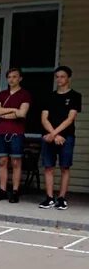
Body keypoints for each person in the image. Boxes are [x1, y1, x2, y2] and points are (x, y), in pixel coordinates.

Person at [40, 66, 82, 210]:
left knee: (65, 167)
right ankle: (49, 197)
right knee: (48, 167)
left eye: (62, 76)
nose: (59, 79)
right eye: (57, 76)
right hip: (50, 136)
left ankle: (62, 198)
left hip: (66, 137)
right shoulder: (49, 96)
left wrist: (54, 134)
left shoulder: (75, 96)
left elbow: (70, 119)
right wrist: (53, 135)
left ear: (68, 78)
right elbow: (44, 118)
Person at [0, 68, 31, 203]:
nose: (11, 79)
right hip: (1, 131)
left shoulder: (24, 94)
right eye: (9, 77)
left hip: (16, 132)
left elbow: (22, 113)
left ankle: (15, 190)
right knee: (2, 161)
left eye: (14, 77)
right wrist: (13, 110)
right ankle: (2, 189)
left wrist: (3, 113)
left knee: (16, 162)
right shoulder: (2, 94)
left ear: (20, 78)